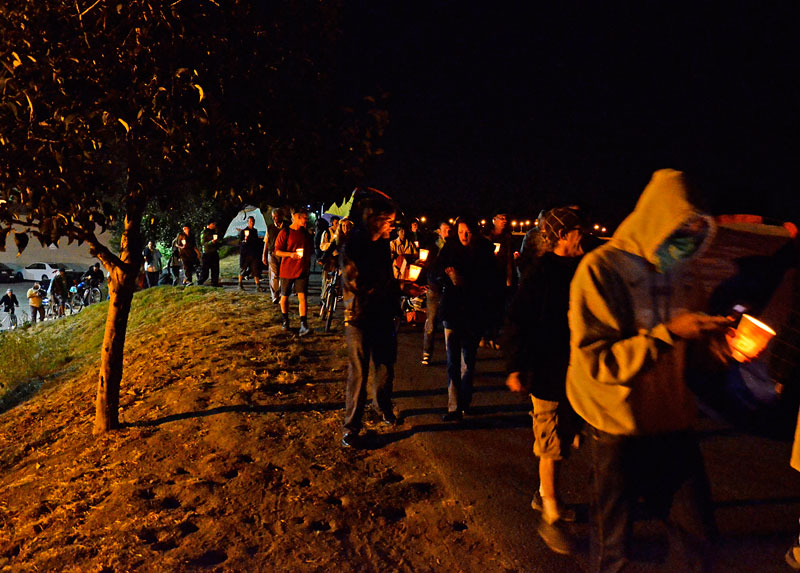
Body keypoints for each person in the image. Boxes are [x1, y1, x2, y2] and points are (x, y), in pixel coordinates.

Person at [567, 169, 730, 572]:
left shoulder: (686, 273)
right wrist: (669, 334)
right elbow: (599, 361)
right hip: (617, 426)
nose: (688, 241)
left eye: (696, 230)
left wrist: (716, 350)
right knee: (613, 549)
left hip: (672, 422)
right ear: (657, 219)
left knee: (699, 542)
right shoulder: (600, 269)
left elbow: (689, 351)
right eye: (681, 229)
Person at [505, 206, 586, 554]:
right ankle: (550, 515)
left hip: (577, 371)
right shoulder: (540, 273)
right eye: (577, 230)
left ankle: (545, 495)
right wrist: (516, 366)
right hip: (547, 371)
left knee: (566, 439)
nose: (583, 234)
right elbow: (517, 321)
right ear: (564, 236)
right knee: (550, 441)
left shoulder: (585, 269)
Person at [340, 192, 402, 446]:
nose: (391, 225)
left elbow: (387, 278)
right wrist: (387, 285)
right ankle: (351, 426)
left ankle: (383, 406)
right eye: (387, 220)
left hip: (384, 313)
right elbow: (356, 281)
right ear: (372, 219)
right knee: (359, 371)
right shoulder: (353, 244)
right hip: (359, 315)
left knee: (386, 365)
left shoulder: (382, 244)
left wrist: (401, 289)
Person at [434, 216, 495, 421]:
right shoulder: (449, 248)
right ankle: (453, 407)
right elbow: (434, 272)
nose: (464, 235)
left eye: (467, 231)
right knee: (452, 360)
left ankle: (465, 402)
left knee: (468, 361)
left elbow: (490, 280)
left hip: (473, 312)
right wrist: (448, 277)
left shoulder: (484, 250)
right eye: (460, 232)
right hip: (452, 311)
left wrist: (464, 280)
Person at [274, 207, 314, 335]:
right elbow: (277, 251)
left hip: (301, 270)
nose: (306, 221)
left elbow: (309, 251)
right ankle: (285, 321)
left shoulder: (305, 234)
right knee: (284, 296)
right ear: (297, 218)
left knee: (302, 297)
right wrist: (290, 255)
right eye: (305, 218)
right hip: (287, 270)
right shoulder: (285, 232)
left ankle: (304, 324)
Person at [421, 221, 451, 365]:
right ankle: (427, 352)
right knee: (431, 322)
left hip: (449, 289)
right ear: (439, 231)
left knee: (450, 324)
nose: (448, 233)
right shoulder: (433, 248)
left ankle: (452, 355)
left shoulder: (453, 248)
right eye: (445, 230)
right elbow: (427, 266)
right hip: (434, 288)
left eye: (449, 230)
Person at [483, 211, 514, 350]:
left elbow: (508, 258)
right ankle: (484, 336)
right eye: (501, 218)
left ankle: (494, 337)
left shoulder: (507, 237)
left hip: (500, 276)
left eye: (505, 218)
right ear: (494, 220)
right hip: (488, 276)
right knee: (486, 307)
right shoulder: (487, 236)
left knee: (499, 308)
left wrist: (509, 277)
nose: (504, 220)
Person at [263, 208, 286, 304]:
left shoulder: (287, 227)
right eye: (273, 216)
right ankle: (275, 295)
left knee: (283, 275)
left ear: (281, 216)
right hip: (272, 253)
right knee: (274, 274)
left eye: (276, 216)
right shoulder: (270, 227)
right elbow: (266, 241)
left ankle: (281, 294)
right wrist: (263, 254)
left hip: (284, 253)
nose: (275, 218)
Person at [238, 216, 263, 291]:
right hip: (246, 253)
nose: (251, 223)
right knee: (243, 268)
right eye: (250, 221)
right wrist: (245, 240)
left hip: (253, 253)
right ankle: (240, 284)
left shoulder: (255, 231)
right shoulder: (244, 231)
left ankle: (258, 285)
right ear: (248, 222)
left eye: (252, 221)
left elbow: (255, 241)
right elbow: (241, 241)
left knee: (255, 269)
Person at [198, 220, 222, 286]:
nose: (214, 225)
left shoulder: (214, 231)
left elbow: (218, 240)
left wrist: (218, 242)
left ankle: (214, 283)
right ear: (210, 224)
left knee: (215, 269)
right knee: (205, 270)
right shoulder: (204, 232)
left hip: (214, 252)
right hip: (207, 253)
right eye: (213, 224)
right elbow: (203, 243)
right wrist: (211, 242)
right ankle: (200, 281)